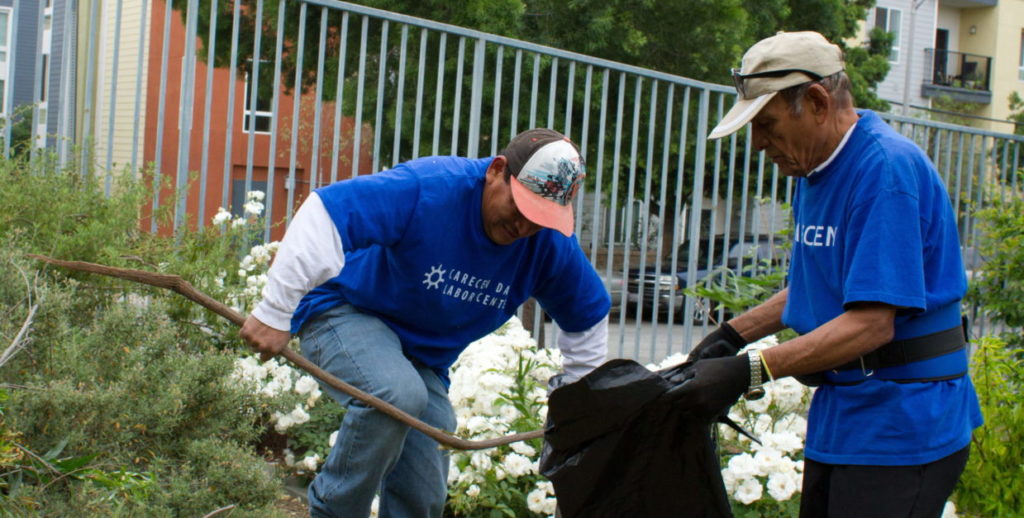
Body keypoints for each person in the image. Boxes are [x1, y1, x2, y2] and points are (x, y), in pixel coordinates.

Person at [667, 31, 982, 517]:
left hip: (904, 424)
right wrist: (731, 335)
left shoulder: (884, 171)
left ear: (815, 101)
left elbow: (872, 321)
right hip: (847, 418)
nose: (757, 144)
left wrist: (751, 368)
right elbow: (823, 282)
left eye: (767, 124)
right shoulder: (816, 170)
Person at [239, 128, 611, 518]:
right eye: (520, 210)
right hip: (345, 310)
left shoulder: (548, 243)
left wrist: (576, 406)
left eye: (538, 220)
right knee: (394, 395)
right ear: (497, 171)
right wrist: (274, 311)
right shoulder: (432, 188)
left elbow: (587, 316)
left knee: (426, 473)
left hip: (422, 358)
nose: (523, 228)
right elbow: (327, 211)